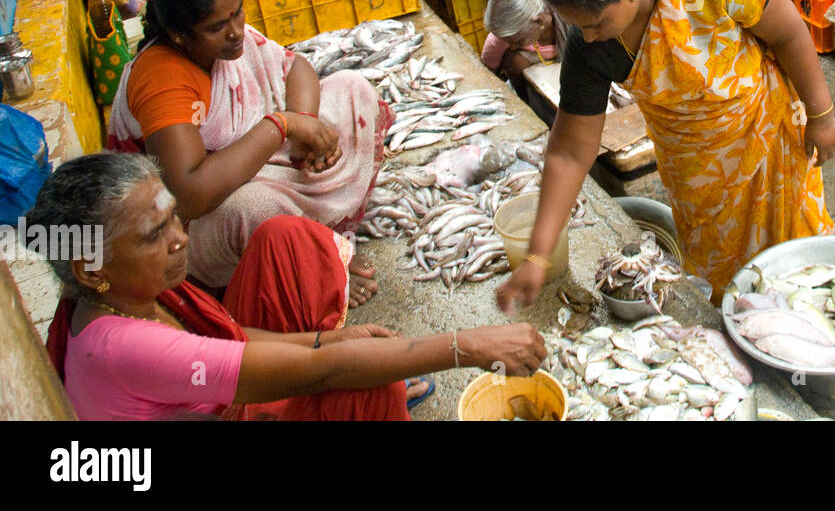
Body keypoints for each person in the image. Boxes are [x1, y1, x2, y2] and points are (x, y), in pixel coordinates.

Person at [31, 154, 547, 420]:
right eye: (154, 235)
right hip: (223, 410)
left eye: (172, 219)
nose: (180, 239)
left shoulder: (122, 289)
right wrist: (465, 346)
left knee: (284, 239)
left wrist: (325, 340)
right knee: (365, 389)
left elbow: (222, 341)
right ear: (89, 268)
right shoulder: (125, 347)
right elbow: (321, 375)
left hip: (208, 387)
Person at [494, 0, 835, 309]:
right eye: (580, 27)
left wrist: (821, 115)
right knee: (721, 275)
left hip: (767, 134)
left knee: (798, 259)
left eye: (597, 24)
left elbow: (788, 31)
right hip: (693, 167)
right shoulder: (589, 46)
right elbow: (570, 152)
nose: (588, 37)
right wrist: (538, 255)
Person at [101, 0, 377, 298]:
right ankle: (313, 262)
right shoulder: (162, 80)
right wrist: (281, 125)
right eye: (217, 27)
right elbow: (189, 196)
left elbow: (294, 66)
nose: (235, 33)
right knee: (255, 208)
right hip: (188, 226)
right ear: (178, 34)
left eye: (237, 14)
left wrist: (305, 122)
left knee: (352, 88)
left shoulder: (230, 38)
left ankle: (312, 233)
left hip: (253, 164)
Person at [481, 0, 569, 91]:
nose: (512, 47)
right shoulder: (502, 36)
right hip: (536, 70)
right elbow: (488, 72)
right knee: (517, 62)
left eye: (518, 41)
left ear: (539, 22)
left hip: (562, 63)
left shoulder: (567, 18)